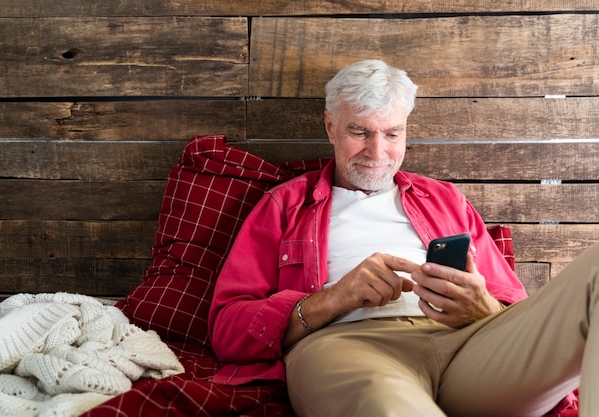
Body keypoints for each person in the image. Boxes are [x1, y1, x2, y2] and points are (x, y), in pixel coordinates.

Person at [208, 59, 598, 417]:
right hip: (350, 347)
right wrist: (333, 299)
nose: (378, 152)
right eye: (360, 132)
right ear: (330, 126)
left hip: (469, 349)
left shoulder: (446, 199)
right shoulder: (285, 204)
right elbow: (227, 329)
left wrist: (487, 311)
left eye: (392, 133)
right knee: (389, 405)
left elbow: (517, 311)